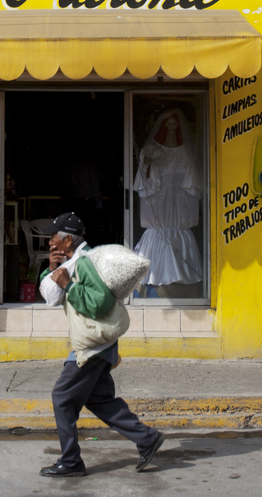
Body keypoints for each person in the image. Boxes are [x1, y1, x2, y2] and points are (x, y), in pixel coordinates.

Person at [37, 212, 164, 478]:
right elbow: (50, 298)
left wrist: (69, 286)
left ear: (67, 239)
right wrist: (53, 271)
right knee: (100, 400)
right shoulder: (73, 262)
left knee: (62, 398)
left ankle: (70, 461)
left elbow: (99, 303)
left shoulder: (84, 264)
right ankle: (147, 438)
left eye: (53, 237)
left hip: (92, 346)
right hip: (100, 344)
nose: (50, 242)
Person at [133, 108, 204, 297]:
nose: (172, 127)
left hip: (179, 200)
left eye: (175, 124)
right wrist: (148, 161)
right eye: (169, 124)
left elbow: (192, 181)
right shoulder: (152, 149)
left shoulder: (186, 152)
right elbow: (146, 177)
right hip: (159, 201)